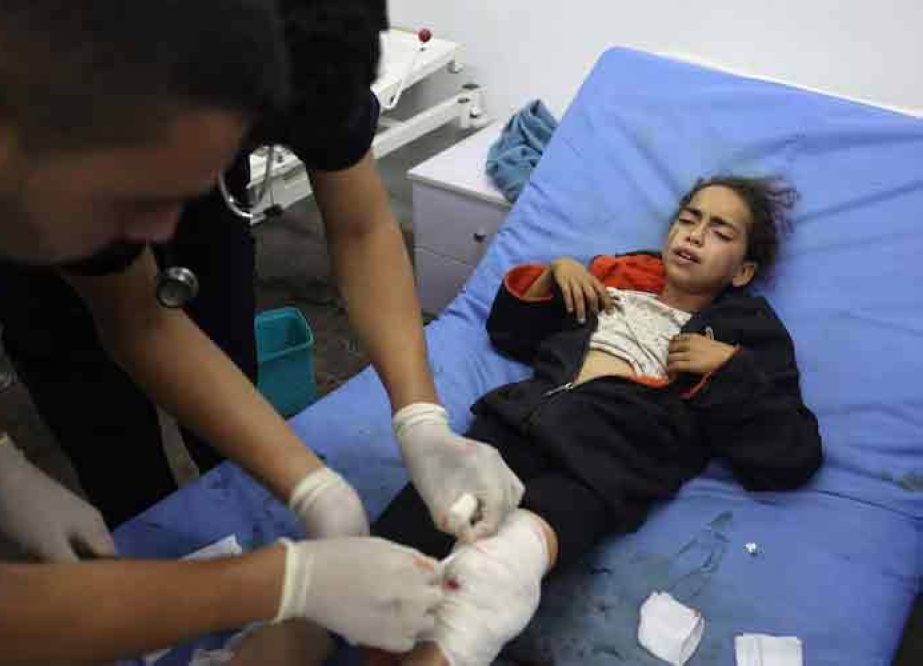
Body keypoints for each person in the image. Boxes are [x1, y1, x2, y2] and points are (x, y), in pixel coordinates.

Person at [0, 2, 522, 663]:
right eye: (132, 201)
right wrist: (279, 585)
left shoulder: (301, 46)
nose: (158, 243)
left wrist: (415, 421)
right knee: (110, 439)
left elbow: (357, 227)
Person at [231, 176, 825, 666]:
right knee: (366, 574)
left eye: (719, 232)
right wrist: (550, 278)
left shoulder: (748, 334)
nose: (694, 235)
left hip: (599, 470)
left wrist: (729, 371)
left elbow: (789, 456)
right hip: (507, 433)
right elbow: (509, 332)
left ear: (742, 271)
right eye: (688, 218)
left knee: (489, 582)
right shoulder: (612, 277)